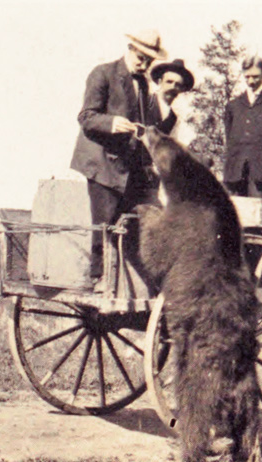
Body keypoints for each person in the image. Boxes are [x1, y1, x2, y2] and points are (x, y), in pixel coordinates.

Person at [69, 29, 170, 286]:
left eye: (149, 61)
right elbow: (86, 117)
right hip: (102, 164)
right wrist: (112, 123)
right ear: (130, 48)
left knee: (143, 221)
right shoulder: (103, 73)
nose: (144, 65)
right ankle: (97, 280)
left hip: (128, 166)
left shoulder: (144, 85)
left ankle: (135, 284)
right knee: (104, 225)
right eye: (141, 58)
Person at [223, 56, 262, 199]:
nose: (251, 81)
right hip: (234, 174)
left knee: (256, 211)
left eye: (255, 76)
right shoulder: (233, 106)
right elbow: (229, 138)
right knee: (232, 211)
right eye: (247, 77)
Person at [148, 58, 195, 136]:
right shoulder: (145, 101)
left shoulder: (174, 119)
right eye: (169, 82)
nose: (172, 87)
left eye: (178, 85)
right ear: (160, 82)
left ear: (181, 89)